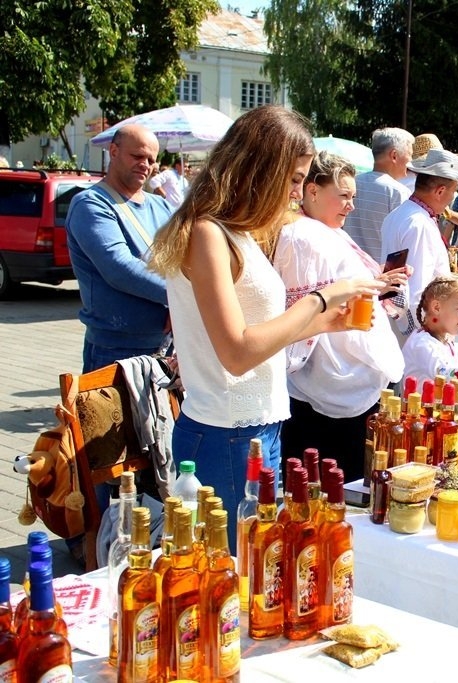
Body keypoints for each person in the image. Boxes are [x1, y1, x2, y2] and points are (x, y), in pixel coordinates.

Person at [149, 106, 381, 551]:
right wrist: (320, 298)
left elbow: (257, 335)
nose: (296, 193)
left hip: (257, 426)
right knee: (239, 569)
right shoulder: (207, 233)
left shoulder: (235, 232)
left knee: (257, 566)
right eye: (293, 179)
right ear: (260, 169)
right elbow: (237, 353)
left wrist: (321, 323)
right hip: (226, 431)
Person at [273, 151, 408, 480]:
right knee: (328, 484)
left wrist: (379, 284)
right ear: (313, 191)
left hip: (350, 376)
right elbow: (301, 311)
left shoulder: (326, 230)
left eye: (353, 197)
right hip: (328, 382)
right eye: (344, 196)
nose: (351, 206)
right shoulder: (301, 236)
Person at [66, 124, 173, 372]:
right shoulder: (91, 204)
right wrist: (181, 296)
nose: (145, 165)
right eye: (137, 156)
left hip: (167, 348)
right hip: (115, 350)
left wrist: (181, 303)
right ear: (113, 151)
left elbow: (187, 258)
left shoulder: (162, 206)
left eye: (151, 160)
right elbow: (119, 268)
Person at [381, 148, 458, 343]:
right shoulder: (419, 224)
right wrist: (430, 340)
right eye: (454, 191)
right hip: (414, 335)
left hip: (398, 326)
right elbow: (419, 292)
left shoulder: (399, 215)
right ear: (440, 191)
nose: (453, 197)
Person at [345, 127, 414, 260]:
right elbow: (402, 243)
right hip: (381, 270)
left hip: (349, 267)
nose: (411, 161)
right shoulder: (398, 192)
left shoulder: (352, 183)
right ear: (394, 155)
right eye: (410, 155)